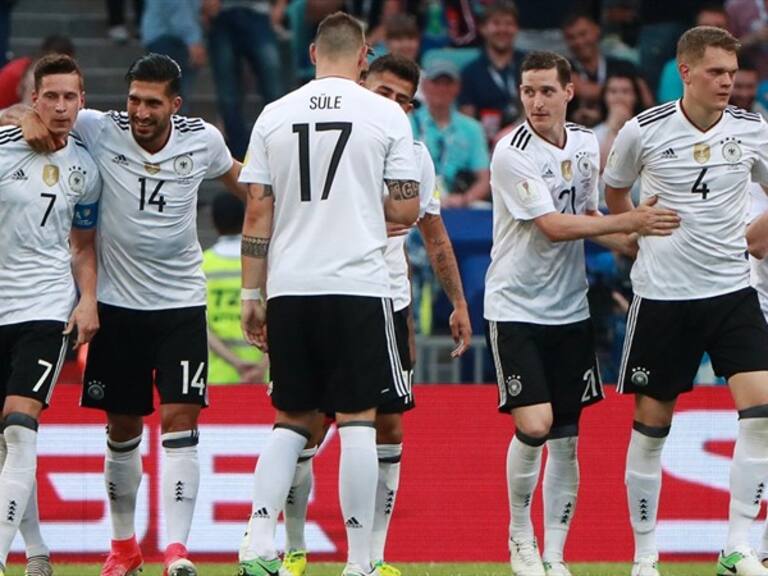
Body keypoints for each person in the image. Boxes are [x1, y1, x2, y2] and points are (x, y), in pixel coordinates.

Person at [7, 52, 246, 576]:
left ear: (174, 105)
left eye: (151, 103)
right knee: (122, 430)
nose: (139, 111)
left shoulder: (201, 139)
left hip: (182, 303)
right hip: (117, 305)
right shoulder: (99, 127)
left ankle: (177, 551)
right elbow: (42, 112)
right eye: (134, 98)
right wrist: (20, 115)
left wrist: (298, 202)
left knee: (181, 421)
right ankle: (123, 548)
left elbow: (245, 183)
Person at [236, 12, 420, 576]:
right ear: (364, 56)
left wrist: (250, 293)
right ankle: (360, 561)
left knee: (292, 418)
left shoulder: (274, 114)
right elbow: (407, 207)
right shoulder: (387, 114)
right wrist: (362, 202)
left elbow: (258, 209)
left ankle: (256, 542)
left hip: (291, 285)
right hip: (358, 286)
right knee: (359, 418)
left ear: (313, 52)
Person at [485, 51, 680, 576]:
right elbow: (552, 225)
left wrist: (637, 241)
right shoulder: (510, 152)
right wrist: (633, 217)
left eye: (547, 90)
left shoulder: (587, 143)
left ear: (570, 91)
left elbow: (590, 214)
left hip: (569, 308)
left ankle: (555, 555)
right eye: (528, 91)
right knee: (537, 424)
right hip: (517, 305)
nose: (536, 101)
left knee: (567, 440)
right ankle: (519, 537)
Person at [278, 53, 473, 576]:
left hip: (388, 301)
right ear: (361, 82)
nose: (392, 105)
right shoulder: (322, 140)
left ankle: (372, 556)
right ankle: (294, 548)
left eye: (402, 100)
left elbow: (433, 234)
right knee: (308, 427)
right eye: (383, 92)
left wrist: (457, 302)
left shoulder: (413, 157)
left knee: (387, 427)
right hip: (323, 294)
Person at [604, 26, 768, 576]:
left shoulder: (751, 129)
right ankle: (645, 556)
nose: (729, 81)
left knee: (763, 411)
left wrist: (752, 237)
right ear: (686, 72)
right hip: (664, 298)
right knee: (652, 427)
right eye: (717, 72)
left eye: (733, 71)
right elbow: (614, 192)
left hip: (731, 292)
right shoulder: (642, 131)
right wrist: (633, 224)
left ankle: (738, 545)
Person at [0, 53, 101, 576]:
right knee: (6, 442)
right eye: (51, 97)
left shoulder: (87, 167)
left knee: (20, 425)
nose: (61, 106)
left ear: (82, 102)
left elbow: (83, 245)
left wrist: (87, 299)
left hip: (45, 306)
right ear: (34, 99)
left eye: (71, 97)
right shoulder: (4, 146)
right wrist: (11, 116)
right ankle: (37, 550)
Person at [204, 0, 287, 160]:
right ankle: (238, 157)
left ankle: (279, 148)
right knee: (227, 94)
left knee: (273, 87)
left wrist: (280, 6)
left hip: (259, 13)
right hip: (223, 13)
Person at [203, 192, 268, 385]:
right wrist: (261, 367)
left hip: (219, 375)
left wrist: (236, 363)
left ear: (213, 222)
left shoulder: (203, 264)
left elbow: (201, 326)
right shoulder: (263, 264)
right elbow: (283, 318)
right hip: (264, 377)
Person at [412, 60, 490, 207]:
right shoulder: (410, 122)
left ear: (457, 87)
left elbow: (484, 179)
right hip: (417, 198)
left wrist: (464, 199)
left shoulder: (472, 128)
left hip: (457, 199)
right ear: (424, 85)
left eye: (448, 83)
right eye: (436, 83)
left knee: (484, 209)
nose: (442, 89)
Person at [561, 11, 653, 128]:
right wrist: (623, 92)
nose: (579, 42)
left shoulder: (624, 66)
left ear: (597, 31)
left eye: (583, 34)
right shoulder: (563, 68)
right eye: (571, 37)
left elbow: (645, 99)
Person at [458, 0, 526, 140]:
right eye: (496, 23)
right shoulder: (470, 72)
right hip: (485, 141)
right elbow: (467, 120)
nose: (503, 29)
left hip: (526, 136)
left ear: (516, 29)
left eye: (508, 24)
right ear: (482, 28)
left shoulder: (530, 65)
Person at [656, 3, 728, 103]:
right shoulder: (675, 68)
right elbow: (671, 113)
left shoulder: (741, 66)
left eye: (719, 27)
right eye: (705, 27)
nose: (712, 32)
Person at [593, 72, 644, 171]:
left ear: (635, 97)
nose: (619, 97)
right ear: (604, 97)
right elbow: (603, 168)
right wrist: (612, 129)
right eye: (613, 91)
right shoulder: (593, 135)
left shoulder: (648, 131)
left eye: (625, 91)